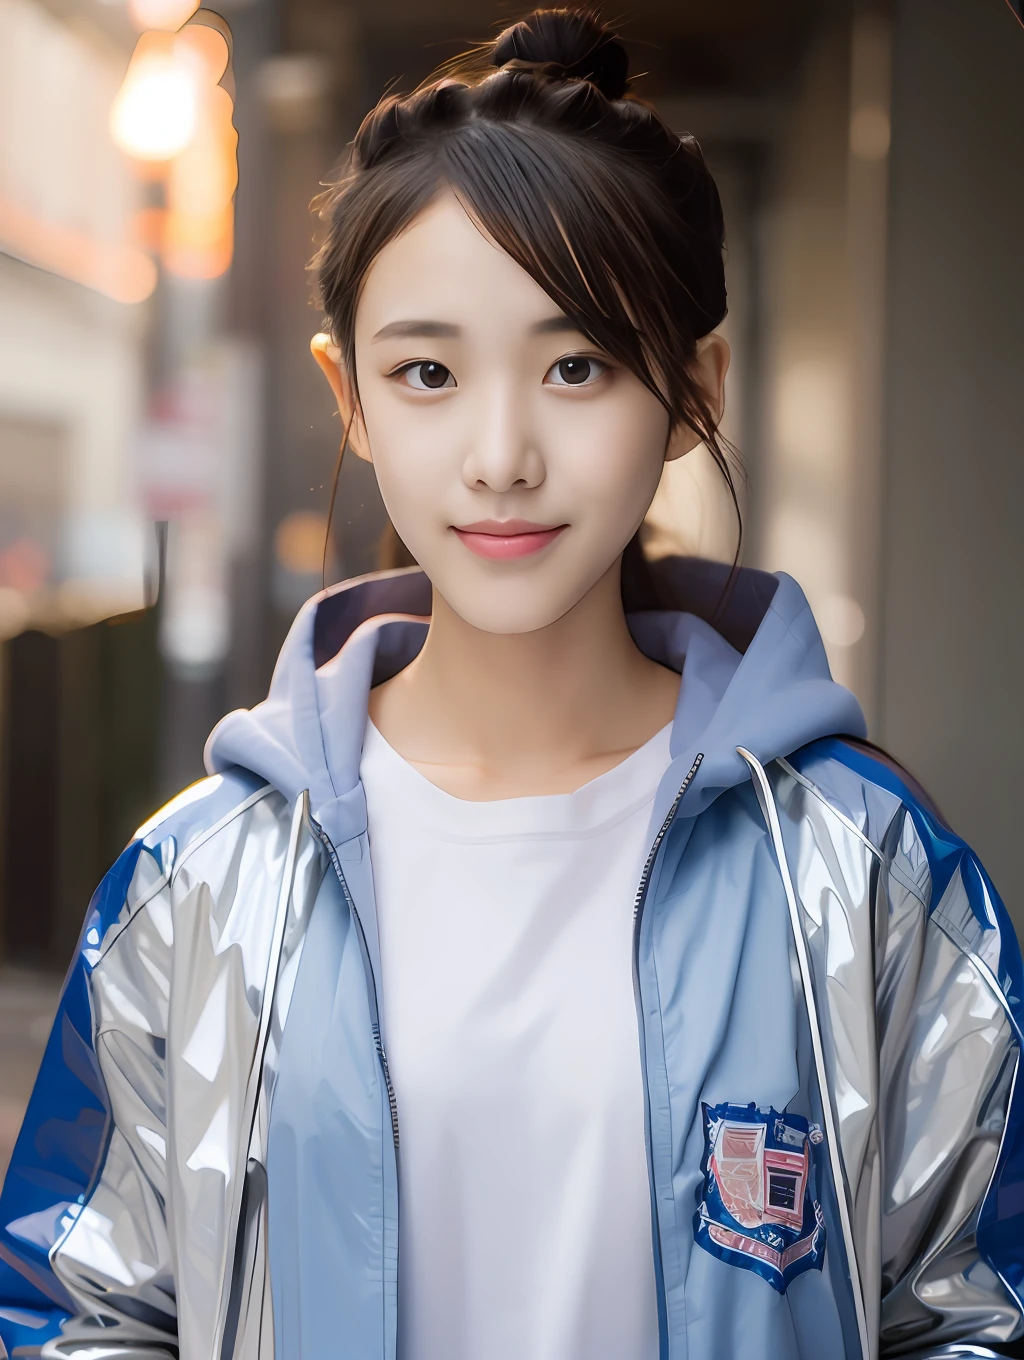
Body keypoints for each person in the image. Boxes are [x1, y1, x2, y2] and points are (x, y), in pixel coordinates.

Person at [1, 9, 1021, 1359]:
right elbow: (82, 1314)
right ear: (350, 398)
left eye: (578, 366)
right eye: (427, 371)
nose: (500, 453)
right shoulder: (200, 888)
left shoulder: (866, 875)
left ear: (693, 392)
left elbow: (973, 1315)